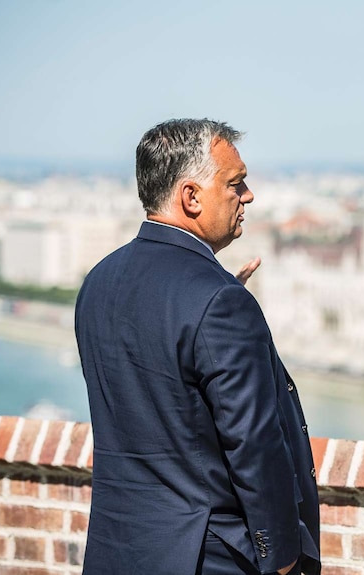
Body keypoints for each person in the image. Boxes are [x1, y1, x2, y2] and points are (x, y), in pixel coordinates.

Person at [75, 119, 320, 575]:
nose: (247, 196)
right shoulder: (218, 301)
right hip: (207, 557)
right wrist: (282, 557)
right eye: (235, 183)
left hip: (118, 549)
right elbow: (254, 443)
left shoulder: (99, 281)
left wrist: (216, 301)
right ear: (191, 197)